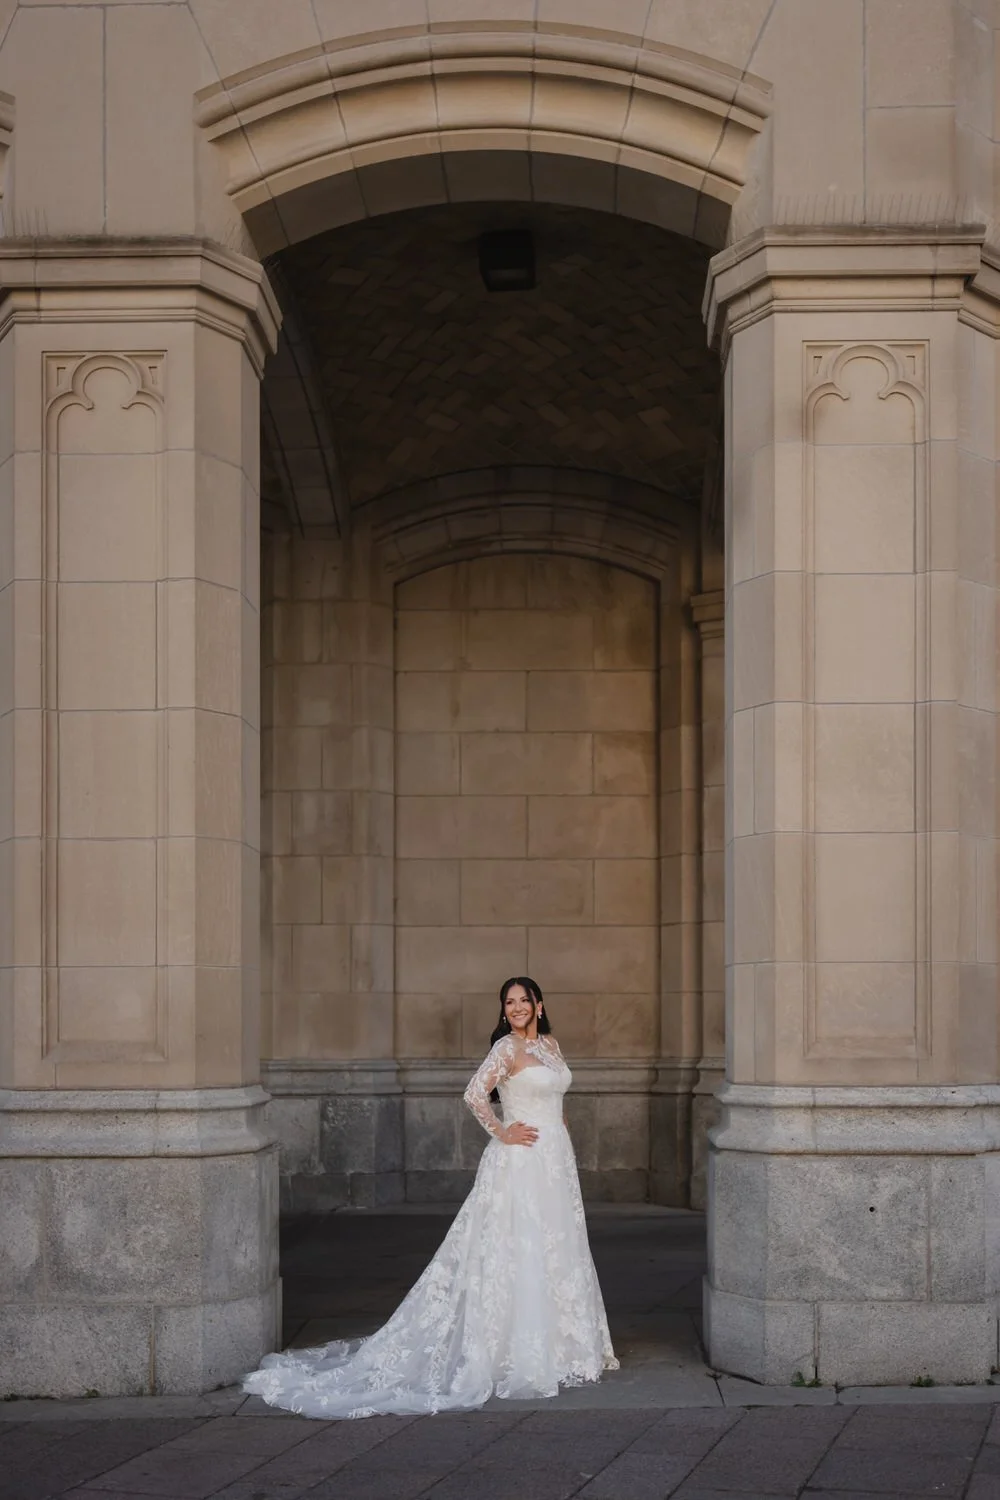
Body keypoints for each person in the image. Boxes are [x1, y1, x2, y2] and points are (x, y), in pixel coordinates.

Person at [242, 976, 619, 1418]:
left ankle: (566, 1347)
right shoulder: (506, 1050)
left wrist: (562, 1139)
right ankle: (513, 1351)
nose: (516, 1007)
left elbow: (556, 1098)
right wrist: (503, 1130)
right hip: (520, 1160)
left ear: (540, 1004)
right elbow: (474, 1094)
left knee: (558, 1246)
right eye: (508, 1002)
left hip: (555, 1160)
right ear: (503, 1011)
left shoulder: (551, 1045)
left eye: (523, 1000)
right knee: (518, 1248)